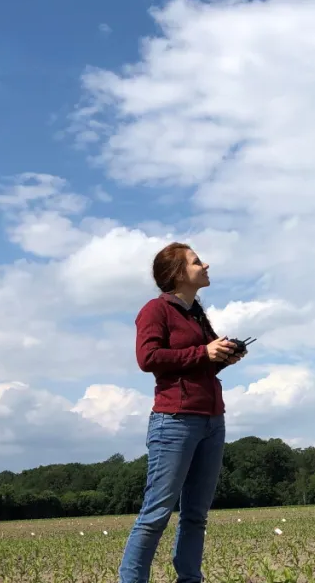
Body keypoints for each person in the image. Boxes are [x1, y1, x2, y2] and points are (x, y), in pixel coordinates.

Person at [118, 242, 243, 583]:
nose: (206, 265)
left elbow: (201, 364)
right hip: (174, 421)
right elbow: (148, 359)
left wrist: (223, 357)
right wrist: (203, 352)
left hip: (211, 421)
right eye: (196, 261)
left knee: (196, 516)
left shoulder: (197, 314)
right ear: (176, 274)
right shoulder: (154, 310)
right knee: (156, 513)